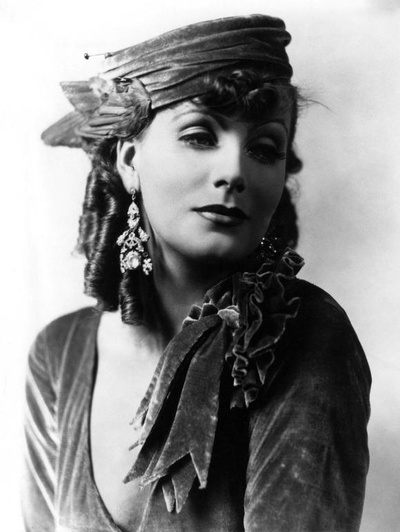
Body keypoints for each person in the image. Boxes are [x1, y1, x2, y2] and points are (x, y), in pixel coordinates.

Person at [23, 14, 371, 532]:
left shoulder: (306, 334)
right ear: (129, 160)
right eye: (200, 136)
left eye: (264, 149)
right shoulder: (58, 354)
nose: (234, 171)